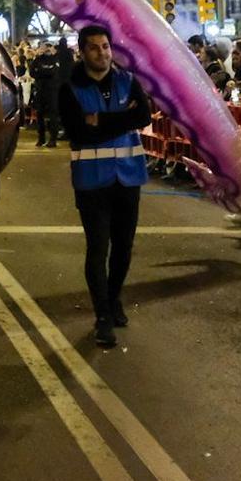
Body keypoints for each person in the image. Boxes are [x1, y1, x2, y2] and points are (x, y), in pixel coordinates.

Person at [56, 25, 151, 348]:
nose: (103, 53)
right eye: (94, 48)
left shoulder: (127, 81)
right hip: (91, 181)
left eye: (106, 46)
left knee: (123, 247)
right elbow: (79, 132)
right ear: (82, 52)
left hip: (128, 176)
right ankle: (102, 317)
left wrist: (100, 120)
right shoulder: (70, 88)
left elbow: (144, 117)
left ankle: (113, 299)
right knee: (98, 248)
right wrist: (119, 119)